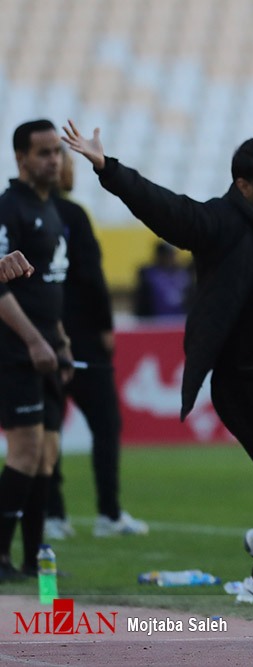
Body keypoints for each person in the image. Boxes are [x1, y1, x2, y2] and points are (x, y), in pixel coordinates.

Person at [63, 44, 253, 604]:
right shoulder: (215, 224)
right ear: (243, 185)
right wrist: (108, 168)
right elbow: (161, 206)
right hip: (245, 386)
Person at [46, 145, 148, 540]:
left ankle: (53, 514)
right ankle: (109, 513)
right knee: (105, 425)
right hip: (83, 338)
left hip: (43, 335)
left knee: (48, 428)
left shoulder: (21, 214)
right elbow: (92, 277)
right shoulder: (72, 215)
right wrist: (106, 327)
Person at [0, 119, 72, 580]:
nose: (53, 160)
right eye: (43, 152)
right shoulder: (10, 208)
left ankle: (33, 559)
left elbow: (48, 286)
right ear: (21, 157)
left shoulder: (51, 207)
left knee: (46, 453)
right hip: (16, 349)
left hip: (47, 346)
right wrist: (34, 340)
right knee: (25, 450)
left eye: (57, 151)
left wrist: (59, 339)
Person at [133, 240, 192, 318]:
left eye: (172, 255)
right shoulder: (149, 275)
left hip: (180, 319)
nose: (170, 258)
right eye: (166, 255)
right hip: (156, 321)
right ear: (159, 256)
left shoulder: (184, 274)